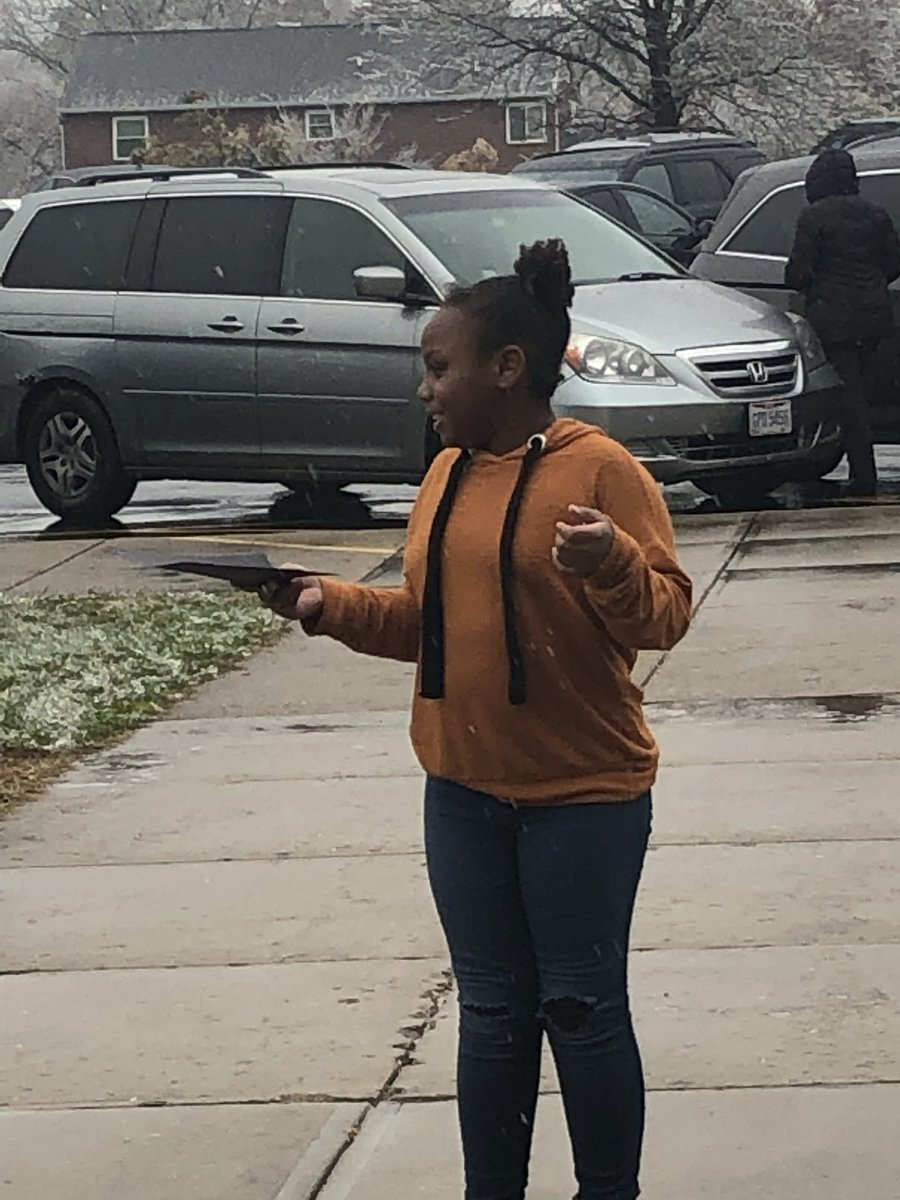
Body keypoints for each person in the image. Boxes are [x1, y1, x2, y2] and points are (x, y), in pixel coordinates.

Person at [260, 239, 692, 1200]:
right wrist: (331, 607)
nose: (427, 389)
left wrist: (611, 562)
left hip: (584, 797)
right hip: (462, 796)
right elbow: (430, 627)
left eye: (438, 367)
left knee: (579, 1009)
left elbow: (664, 615)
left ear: (507, 370)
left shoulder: (601, 470)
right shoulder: (445, 476)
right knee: (493, 1014)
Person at [785, 147, 900, 498]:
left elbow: (797, 272)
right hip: (874, 317)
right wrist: (872, 283)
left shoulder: (813, 217)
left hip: (833, 320)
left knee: (849, 399)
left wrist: (815, 287)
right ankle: (860, 469)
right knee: (856, 393)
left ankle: (863, 476)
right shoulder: (876, 215)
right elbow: (895, 262)